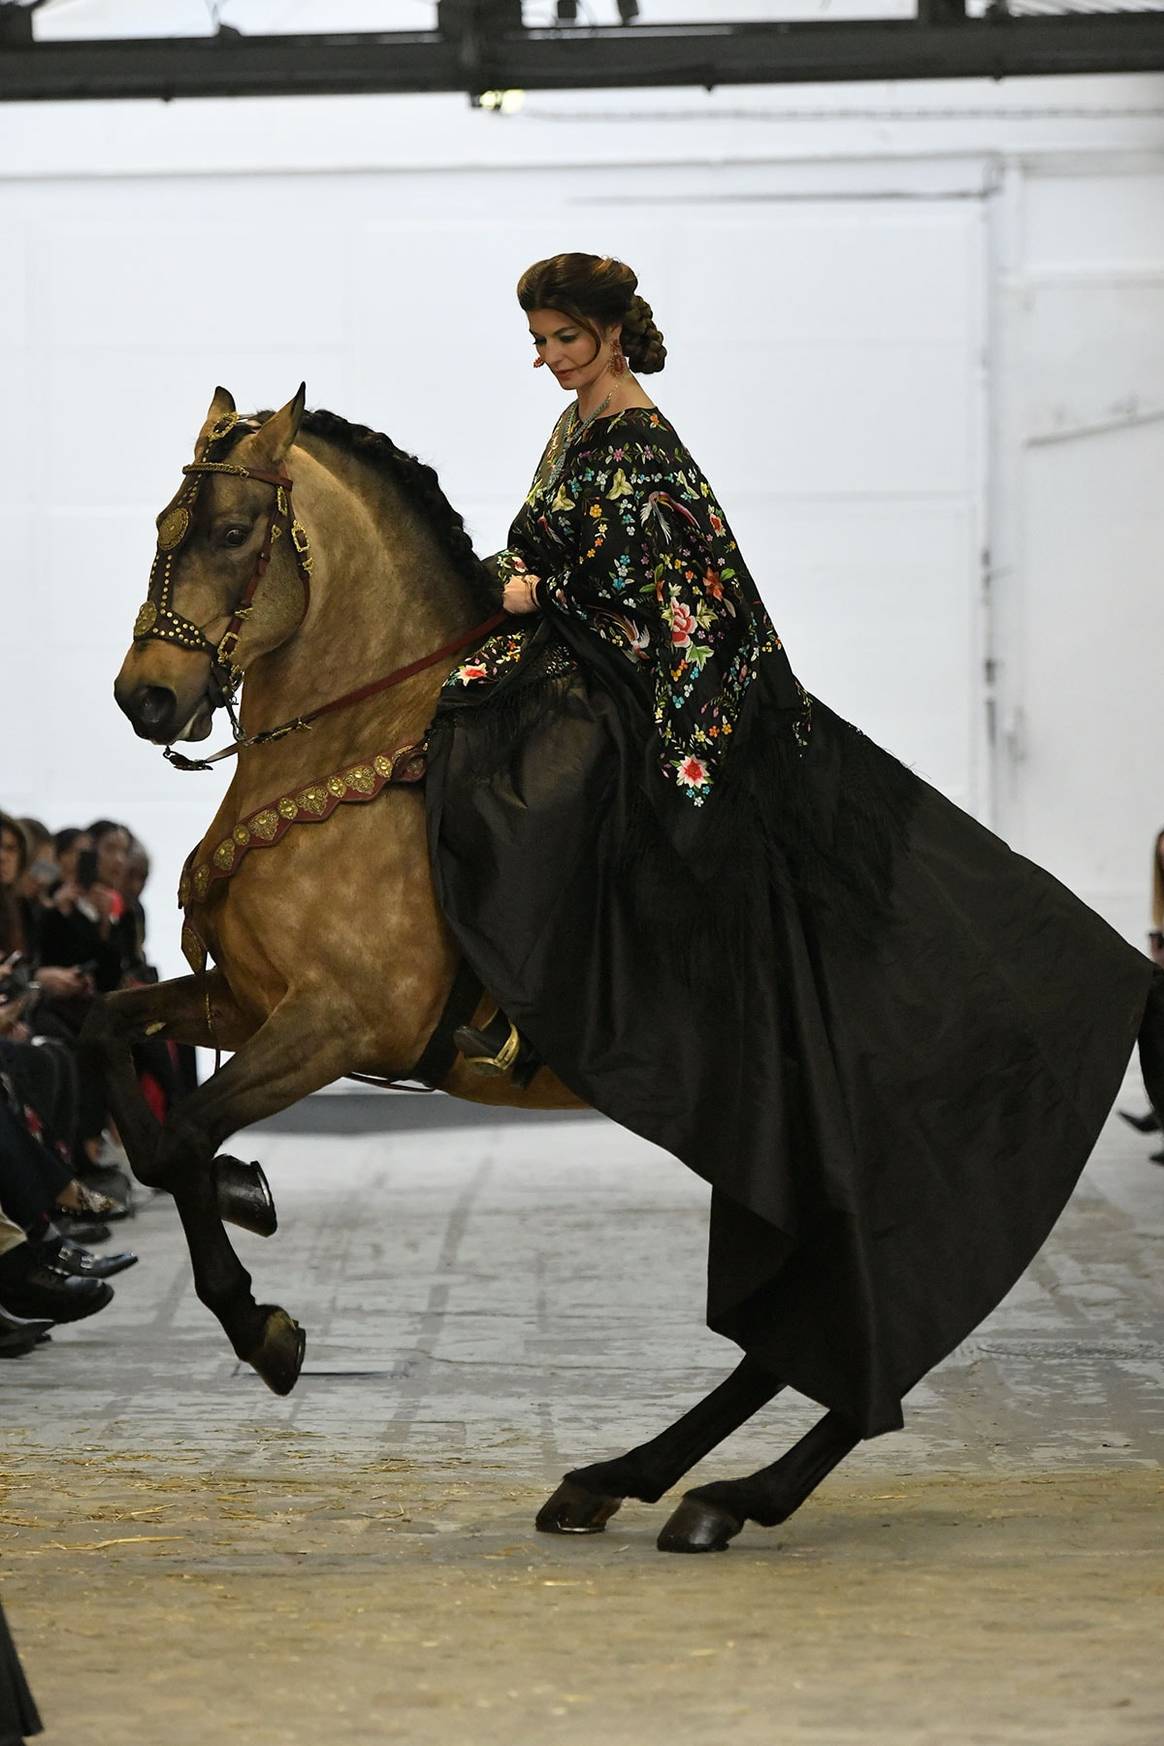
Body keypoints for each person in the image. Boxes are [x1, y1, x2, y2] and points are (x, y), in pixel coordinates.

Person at [427, 250, 1161, 1441]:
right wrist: (524, 589)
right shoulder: (580, 432)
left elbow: (669, 593)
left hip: (678, 697)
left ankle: (533, 993)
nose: (547, 358)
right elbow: (562, 559)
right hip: (607, 658)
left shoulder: (644, 448)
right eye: (541, 338)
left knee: (551, 788)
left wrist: (538, 599)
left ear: (611, 334)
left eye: (564, 338)